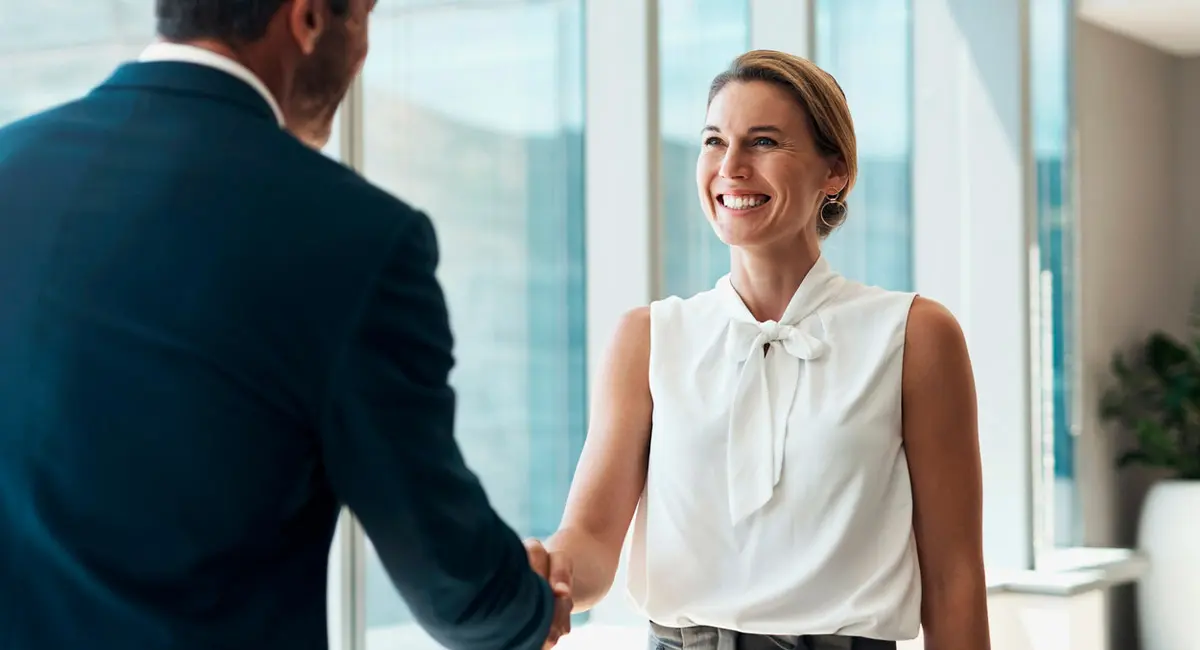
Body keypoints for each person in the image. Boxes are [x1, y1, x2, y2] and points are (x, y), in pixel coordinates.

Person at [0, 1, 571, 649]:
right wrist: (526, 605)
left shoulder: (8, 161)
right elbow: (453, 587)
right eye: (363, 17)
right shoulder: (357, 237)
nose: (363, 51)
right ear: (307, 19)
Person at [525, 50, 991, 650]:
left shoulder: (913, 335)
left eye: (764, 142)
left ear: (835, 172)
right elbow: (589, 539)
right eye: (715, 141)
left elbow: (954, 580)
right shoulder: (648, 337)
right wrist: (546, 576)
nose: (732, 166)